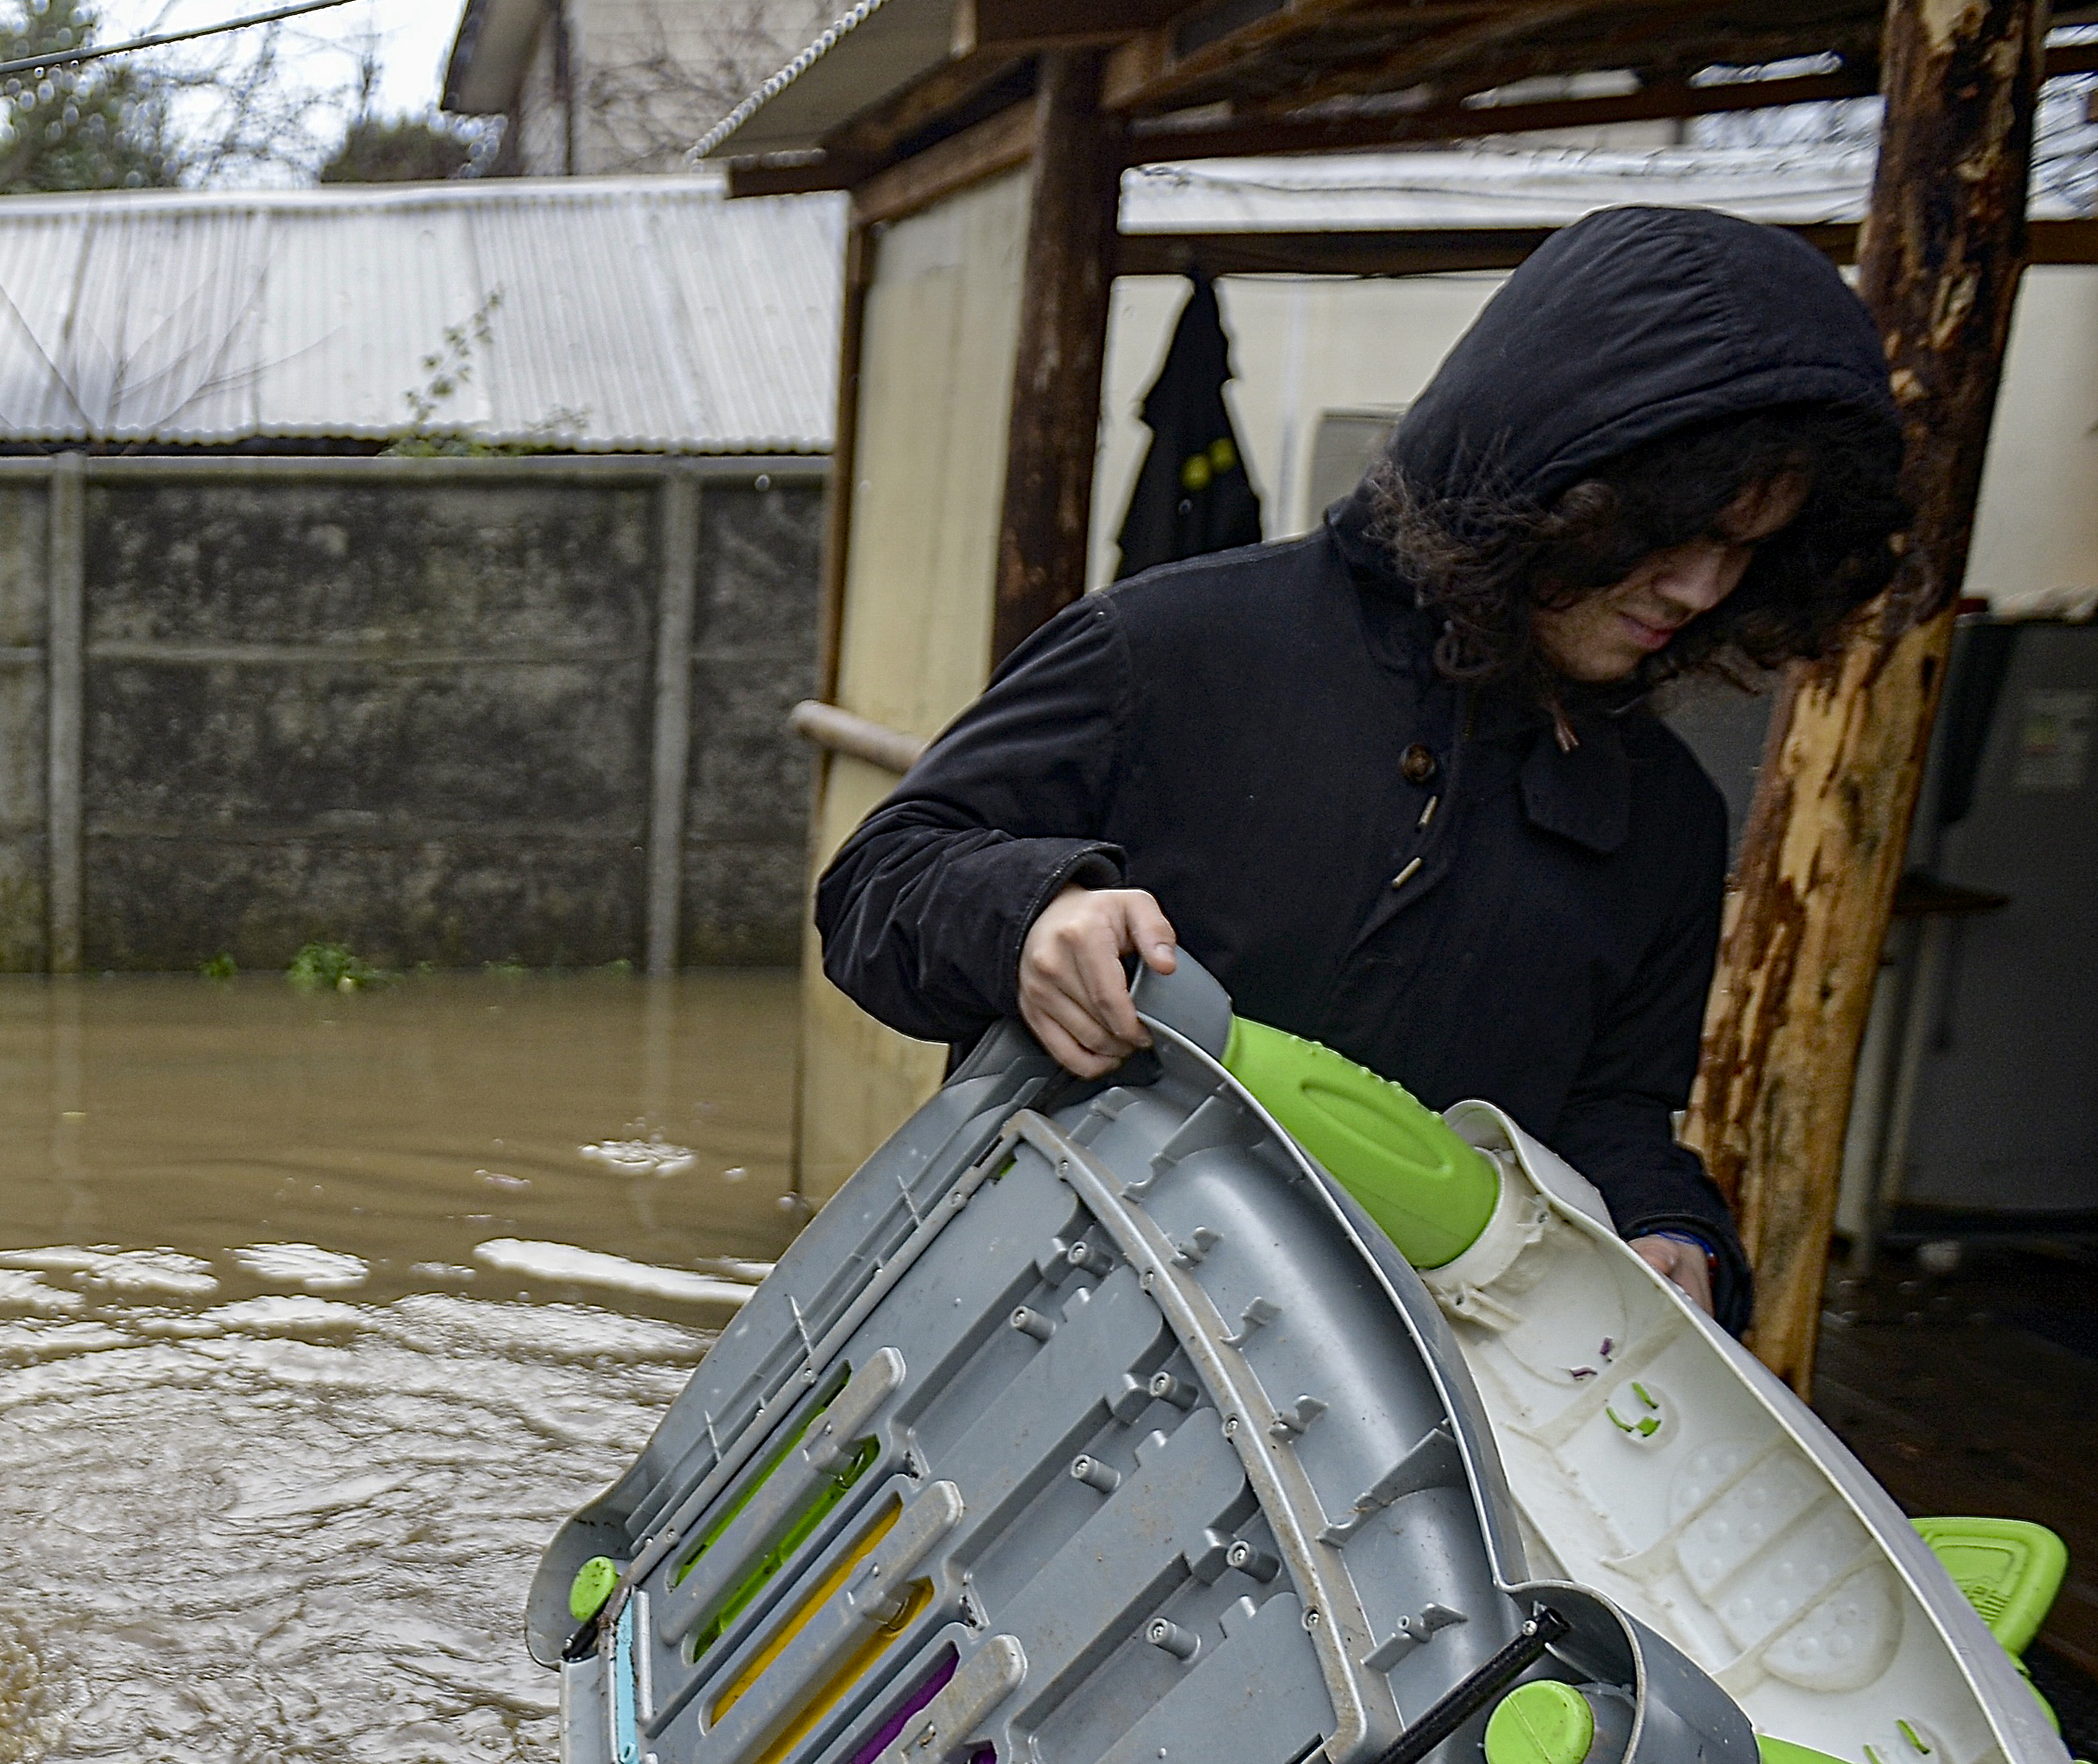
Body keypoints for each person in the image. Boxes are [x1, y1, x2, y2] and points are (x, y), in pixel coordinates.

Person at [814, 207, 1908, 1334]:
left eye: (1744, 551)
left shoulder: (1664, 814)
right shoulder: (1177, 645)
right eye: (1669, 534)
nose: (1698, 591)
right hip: (1020, 1331)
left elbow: (1613, 1109)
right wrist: (1031, 918)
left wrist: (1668, 1231)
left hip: (1370, 1429)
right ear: (1548, 471)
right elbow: (876, 880)